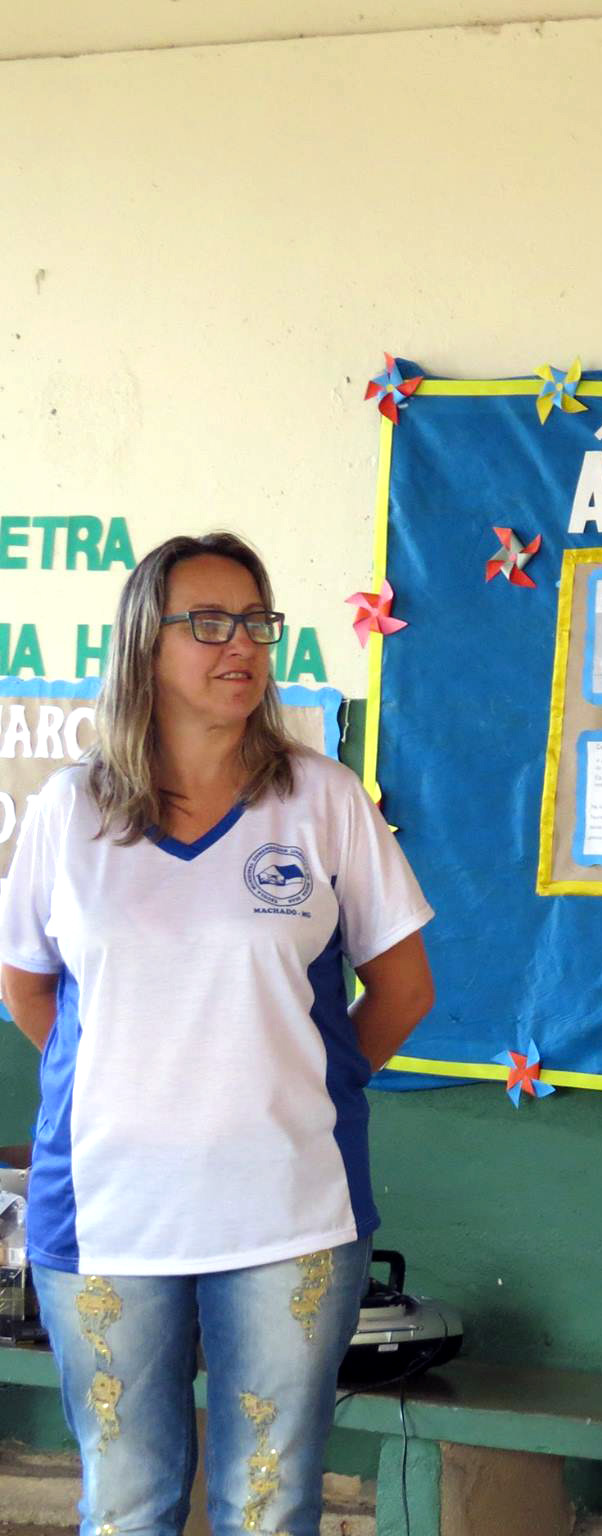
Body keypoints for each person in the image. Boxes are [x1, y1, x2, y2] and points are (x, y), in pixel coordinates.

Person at [0, 533, 436, 1536]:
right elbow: (28, 987)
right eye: (206, 623)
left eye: (254, 621)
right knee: (127, 1502)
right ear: (144, 645)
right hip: (108, 1211)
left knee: (269, 1503)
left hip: (288, 1210)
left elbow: (403, 989)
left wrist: (300, 1086)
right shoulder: (72, 811)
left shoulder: (321, 800)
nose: (238, 644)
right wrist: (133, 1083)